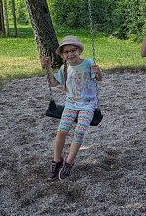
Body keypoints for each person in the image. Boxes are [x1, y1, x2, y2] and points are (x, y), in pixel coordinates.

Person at [40, 35, 103, 180]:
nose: (70, 54)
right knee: (61, 131)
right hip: (71, 104)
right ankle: (57, 160)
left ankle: (69, 162)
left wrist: (98, 72)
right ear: (63, 55)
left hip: (88, 105)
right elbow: (54, 83)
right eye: (66, 52)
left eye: (73, 50)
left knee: (79, 131)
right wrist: (48, 68)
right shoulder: (65, 68)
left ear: (79, 50)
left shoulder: (88, 63)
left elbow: (98, 79)